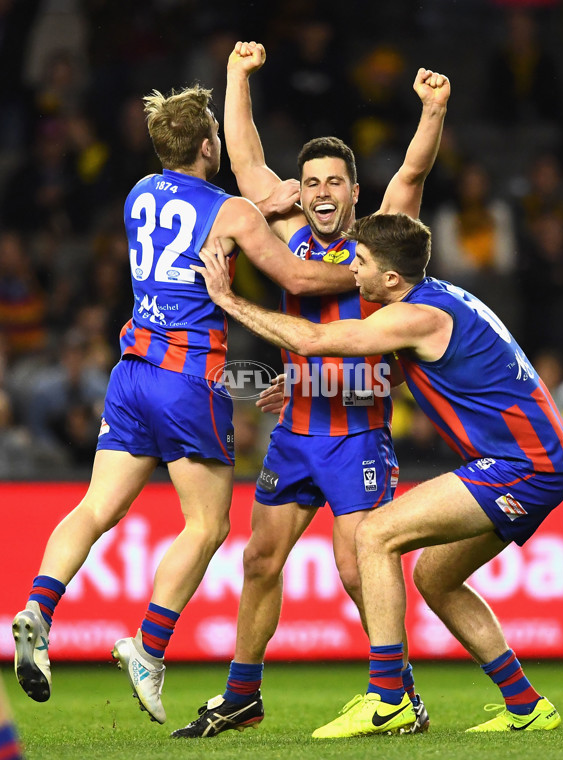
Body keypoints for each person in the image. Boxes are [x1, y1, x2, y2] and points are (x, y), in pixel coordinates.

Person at [11, 81, 357, 725]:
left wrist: (262, 201)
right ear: (206, 145)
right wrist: (365, 275)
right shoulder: (233, 213)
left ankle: (38, 607)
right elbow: (298, 276)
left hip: (131, 370)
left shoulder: (139, 193)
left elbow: (199, 215)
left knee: (95, 508)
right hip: (190, 377)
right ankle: (148, 646)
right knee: (207, 526)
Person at [191, 211, 563, 737]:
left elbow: (312, 340)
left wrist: (227, 299)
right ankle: (527, 704)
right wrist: (314, 386)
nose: (353, 268)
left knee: (374, 535)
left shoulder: (413, 316)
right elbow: (391, 366)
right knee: (434, 578)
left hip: (523, 466)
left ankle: (388, 697)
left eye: (363, 261)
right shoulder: (435, 302)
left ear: (391, 279)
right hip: (536, 461)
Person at [172, 40, 450, 739]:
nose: (323, 192)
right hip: (296, 432)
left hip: (357, 431)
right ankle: (242, 695)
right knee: (260, 561)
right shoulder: (290, 233)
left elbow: (414, 169)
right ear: (303, 192)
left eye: (336, 182)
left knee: (360, 572)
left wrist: (433, 110)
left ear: (355, 192)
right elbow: (244, 159)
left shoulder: (381, 242)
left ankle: (399, 694)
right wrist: (236, 77)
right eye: (313, 182)